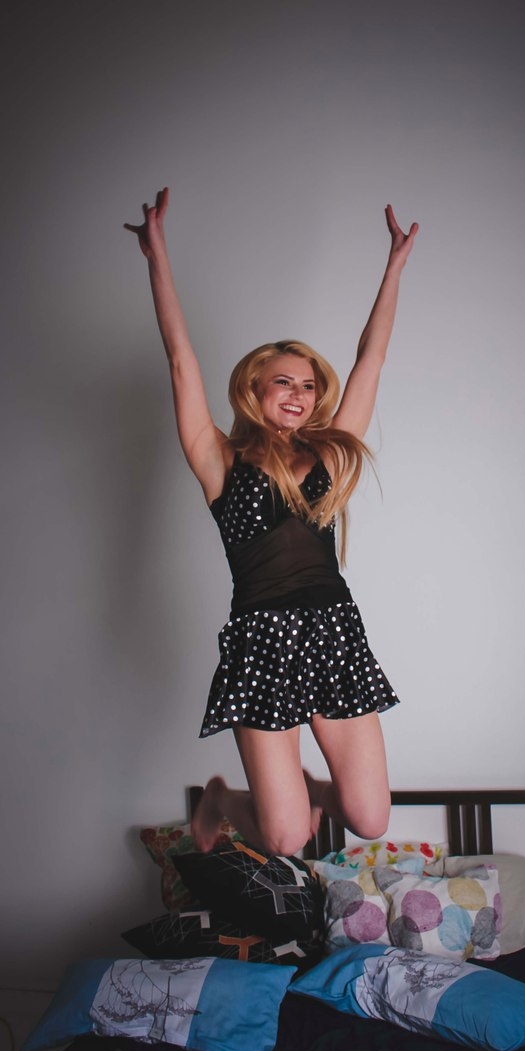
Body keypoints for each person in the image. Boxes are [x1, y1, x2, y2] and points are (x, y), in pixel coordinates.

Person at [125, 188, 418, 856]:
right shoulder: (218, 460)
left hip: (333, 631)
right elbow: (180, 360)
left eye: (308, 385)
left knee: (370, 818)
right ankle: (222, 799)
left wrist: (394, 268)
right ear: (254, 391)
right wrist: (156, 255)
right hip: (261, 639)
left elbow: (370, 361)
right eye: (284, 382)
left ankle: (301, 788)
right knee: (286, 837)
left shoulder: (330, 453)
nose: (298, 394)